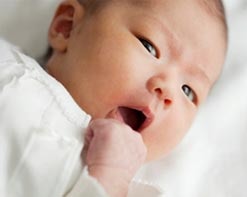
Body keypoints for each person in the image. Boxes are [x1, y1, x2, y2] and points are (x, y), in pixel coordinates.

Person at [0, 0, 227, 196]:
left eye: (188, 90)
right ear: (67, 27)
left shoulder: (108, 179)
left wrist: (111, 177)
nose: (168, 90)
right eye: (149, 46)